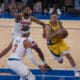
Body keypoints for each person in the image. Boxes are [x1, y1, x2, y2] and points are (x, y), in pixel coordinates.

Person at [1, 2, 51, 69]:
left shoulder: (31, 18)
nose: (29, 11)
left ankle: (44, 63)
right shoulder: (19, 16)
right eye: (27, 10)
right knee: (8, 49)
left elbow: (42, 24)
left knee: (37, 48)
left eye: (29, 9)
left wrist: (44, 32)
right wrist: (11, 9)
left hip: (25, 35)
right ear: (23, 11)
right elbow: (13, 15)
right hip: (17, 35)